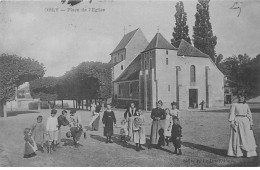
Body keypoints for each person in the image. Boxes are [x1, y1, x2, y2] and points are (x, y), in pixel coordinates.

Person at [227, 93, 257, 157]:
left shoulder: (246, 105)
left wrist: (251, 123)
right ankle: (238, 153)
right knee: (237, 137)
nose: (241, 99)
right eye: (239, 97)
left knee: (246, 136)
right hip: (237, 121)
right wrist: (232, 122)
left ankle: (247, 153)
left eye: (242, 97)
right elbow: (232, 114)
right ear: (238, 98)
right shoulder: (234, 105)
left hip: (246, 122)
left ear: (244, 98)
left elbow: (249, 114)